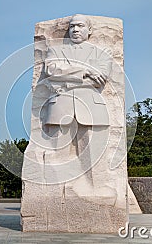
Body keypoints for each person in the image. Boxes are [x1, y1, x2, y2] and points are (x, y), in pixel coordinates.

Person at [42, 14, 113, 188]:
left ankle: (96, 189)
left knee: (93, 154)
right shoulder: (56, 51)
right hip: (60, 106)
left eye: (80, 26)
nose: (75, 30)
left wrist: (66, 79)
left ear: (90, 30)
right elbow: (52, 71)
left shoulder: (101, 53)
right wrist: (85, 70)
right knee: (57, 154)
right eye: (72, 26)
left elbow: (100, 79)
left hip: (91, 107)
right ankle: (56, 191)